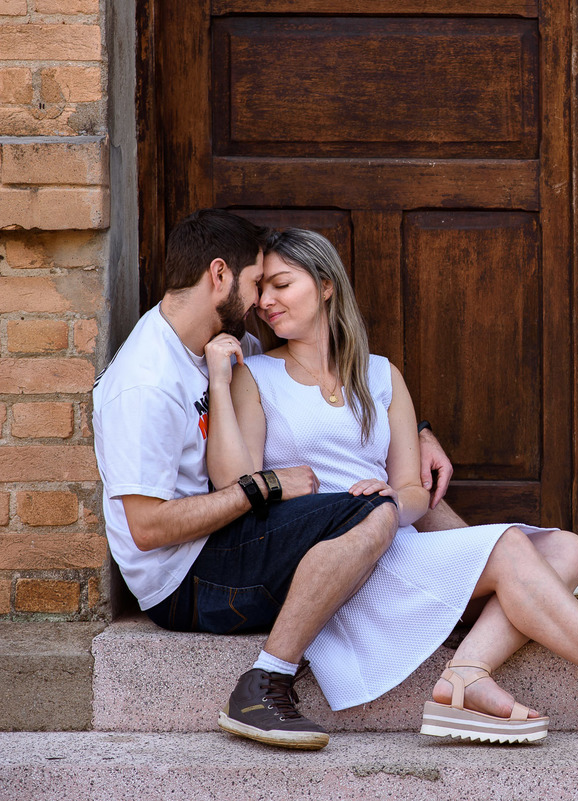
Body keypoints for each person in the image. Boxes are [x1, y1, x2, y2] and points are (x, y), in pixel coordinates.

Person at [205, 227, 578, 744]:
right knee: (511, 548)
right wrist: (221, 384)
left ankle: (466, 672)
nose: (266, 302)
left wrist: (390, 497)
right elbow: (235, 482)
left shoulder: (380, 374)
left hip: (395, 538)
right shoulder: (257, 375)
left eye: (282, 284)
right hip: (338, 561)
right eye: (263, 289)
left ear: (325, 286)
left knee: (568, 549)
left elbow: (412, 490)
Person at [92, 209, 449, 750]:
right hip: (182, 581)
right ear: (219, 276)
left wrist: (414, 430)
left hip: (222, 541)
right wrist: (263, 487)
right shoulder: (145, 385)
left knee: (381, 505)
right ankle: (265, 683)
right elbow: (147, 529)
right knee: (372, 510)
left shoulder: (224, 339)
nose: (262, 300)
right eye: (257, 282)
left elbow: (324, 378)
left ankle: (478, 579)